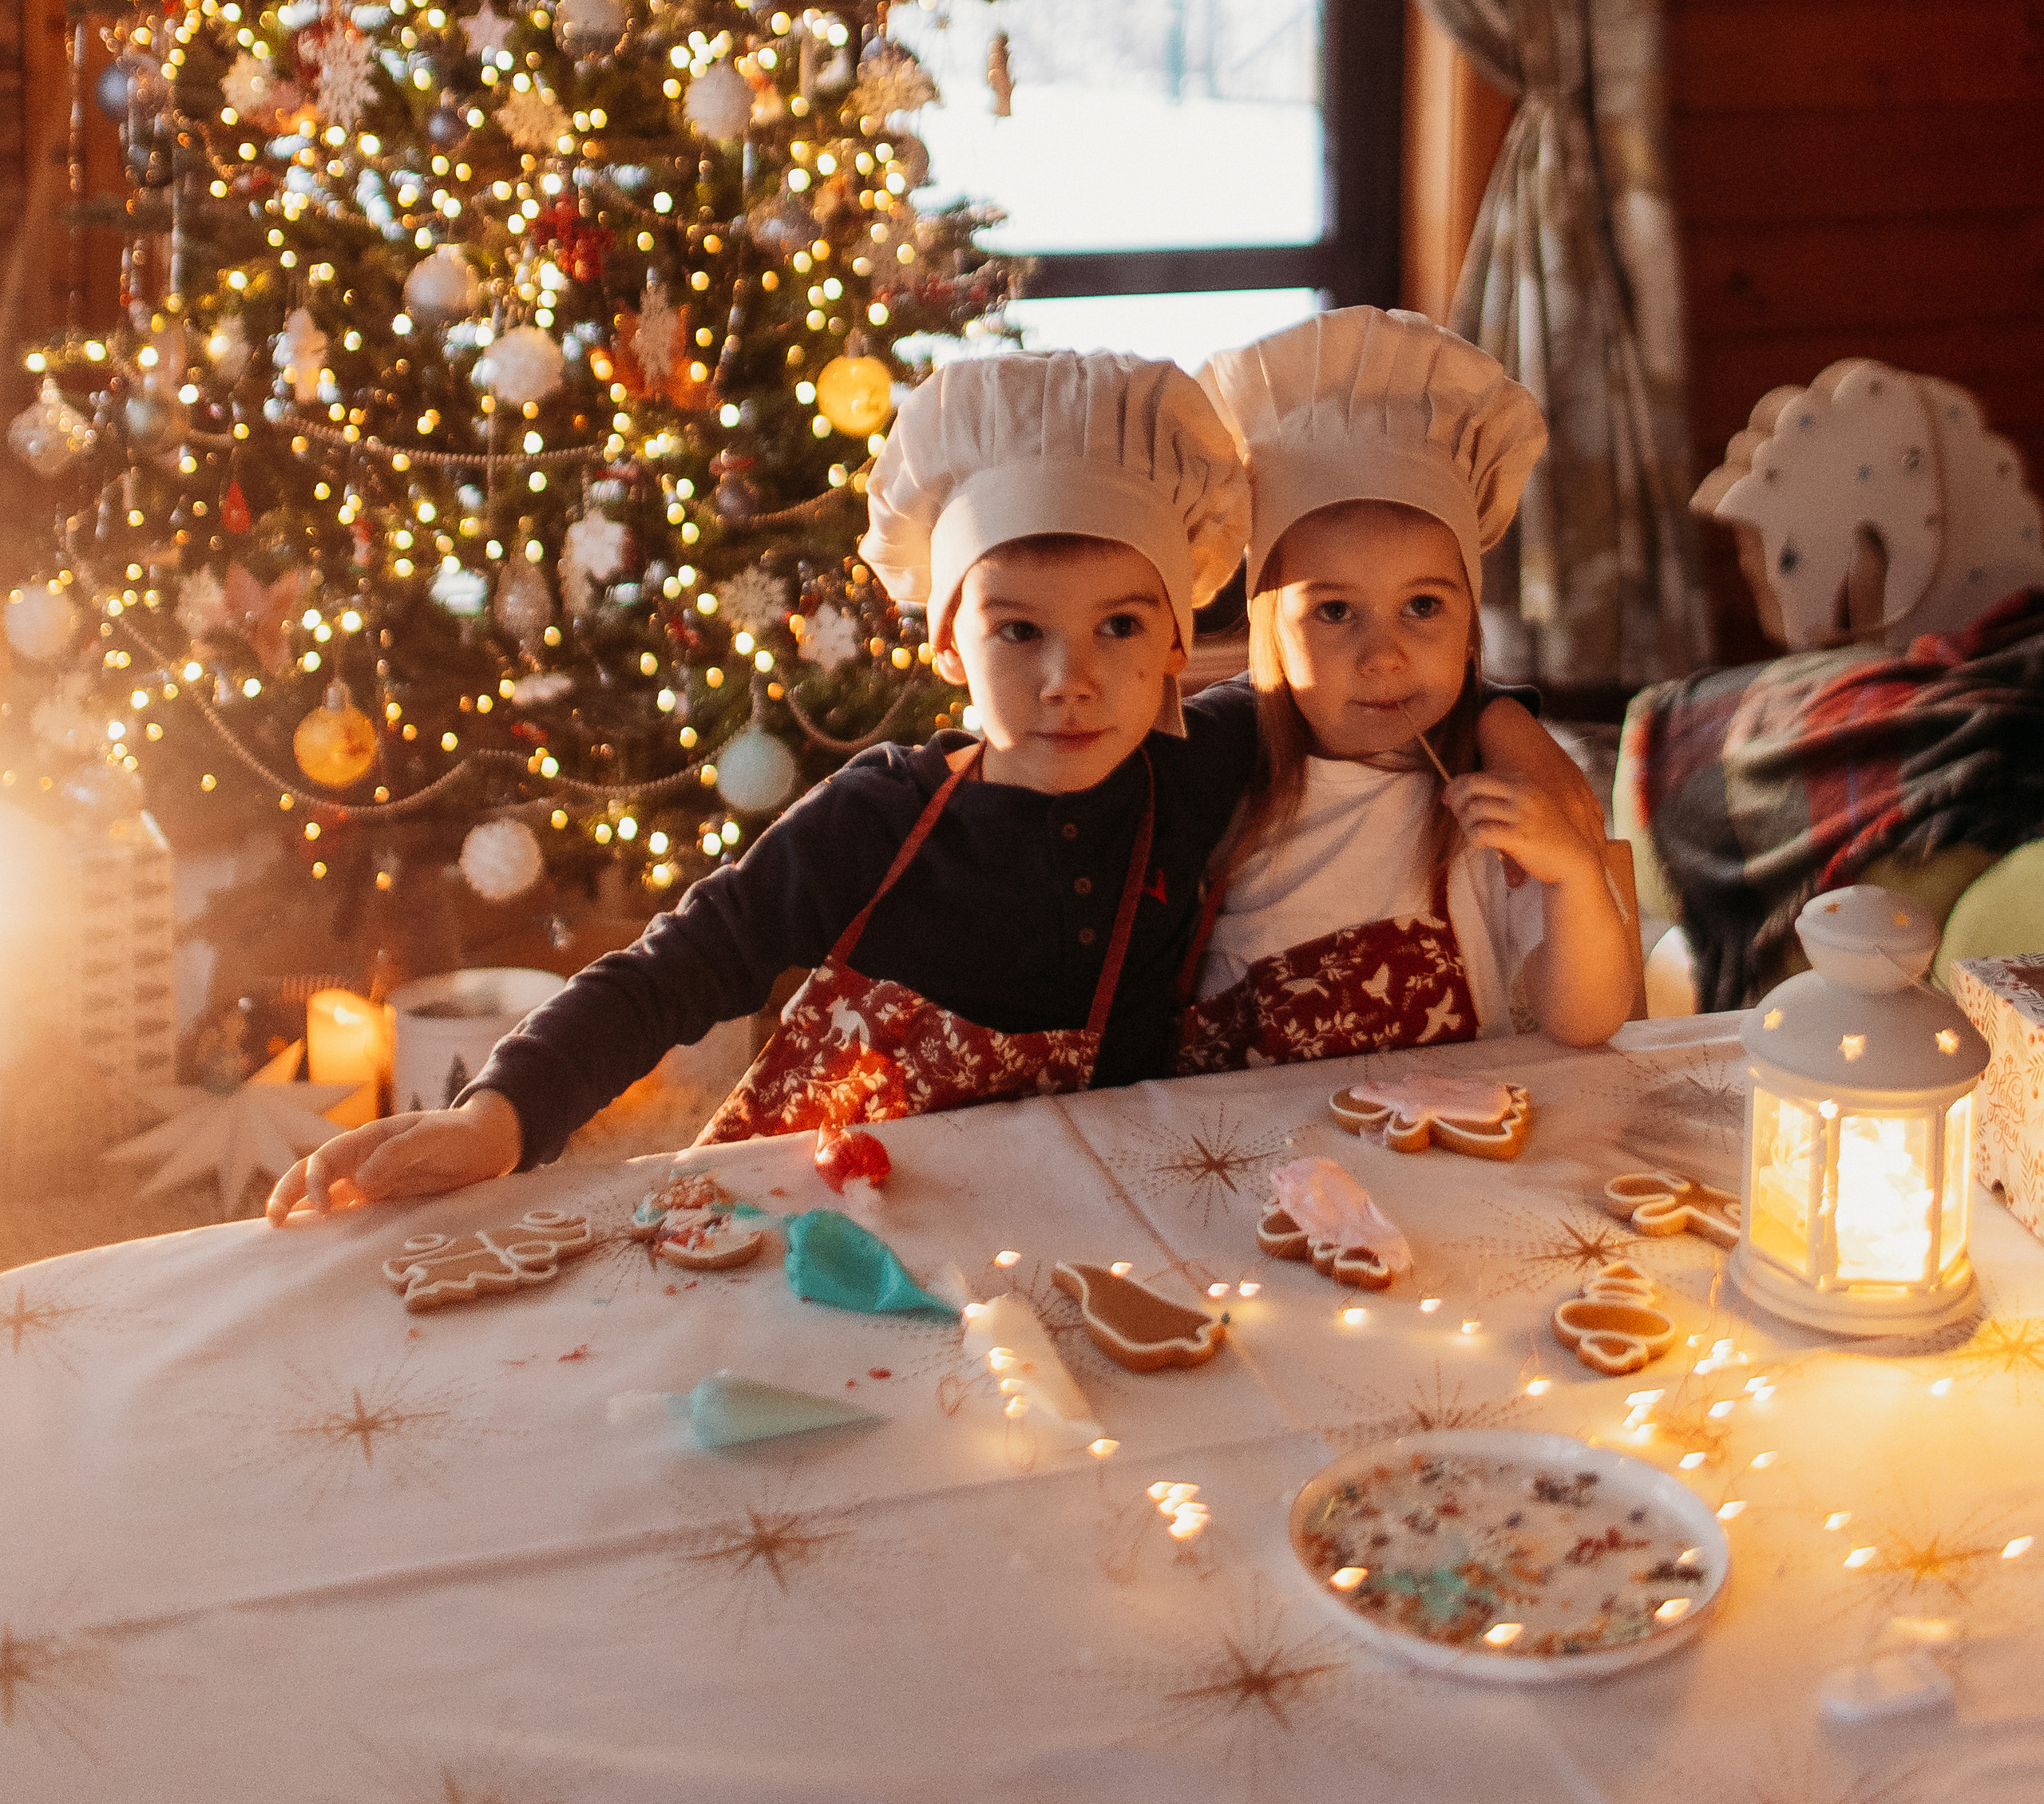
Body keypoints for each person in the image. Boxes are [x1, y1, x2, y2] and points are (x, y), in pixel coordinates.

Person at [267, 348, 1253, 1222]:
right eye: (1017, 630)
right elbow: (672, 971)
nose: (1067, 680)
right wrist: (500, 1117)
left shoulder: (1203, 766)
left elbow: (1358, 690)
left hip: (1095, 1220)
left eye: (1119, 626)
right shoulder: (877, 818)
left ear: (1178, 637)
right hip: (848, 1224)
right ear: (946, 641)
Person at [1172, 307, 1634, 1074]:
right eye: (1335, 611)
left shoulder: (1490, 797)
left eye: (1423, 607)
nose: (1384, 656)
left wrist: (1574, 876)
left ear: (1470, 623)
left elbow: (1585, 1021)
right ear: (1267, 626)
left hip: (1442, 1168)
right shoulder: (1221, 777)